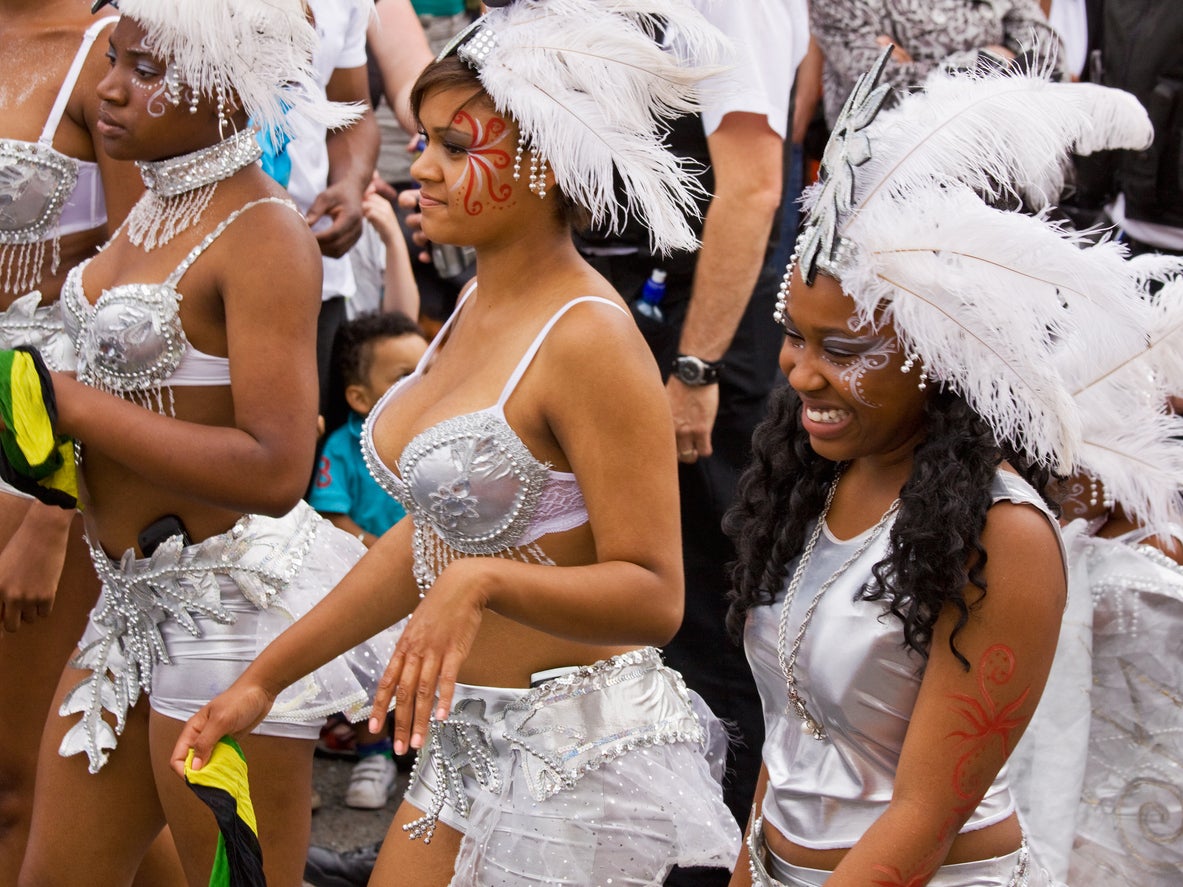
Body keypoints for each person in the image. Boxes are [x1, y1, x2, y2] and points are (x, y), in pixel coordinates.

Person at [172, 1, 742, 884]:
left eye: (455, 147)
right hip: (464, 746)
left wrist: (480, 583)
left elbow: (655, 594)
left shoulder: (589, 335)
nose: (423, 169)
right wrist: (267, 677)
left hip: (573, 769)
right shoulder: (475, 302)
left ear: (548, 166)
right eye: (425, 142)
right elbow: (435, 535)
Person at [725, 49, 1169, 886]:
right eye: (794, 334)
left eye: (844, 348)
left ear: (942, 351)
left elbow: (923, 818)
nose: (800, 373)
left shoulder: (1001, 536)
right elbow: (788, 743)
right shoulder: (813, 475)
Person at [10, 3, 401, 885]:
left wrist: (71, 407)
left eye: (145, 73)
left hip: (228, 625)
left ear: (230, 90)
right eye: (114, 60)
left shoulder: (261, 234)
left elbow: (273, 467)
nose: (110, 89)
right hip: (126, 610)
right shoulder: (153, 210)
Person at [0, 1, 146, 881]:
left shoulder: (113, 48)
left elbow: (143, 279)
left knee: (20, 778)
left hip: (37, 440)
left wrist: (57, 506)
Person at [308, 310, 428, 809]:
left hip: (429, 585)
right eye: (404, 376)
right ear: (360, 398)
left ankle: (422, 751)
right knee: (366, 666)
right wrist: (384, 553)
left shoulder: (433, 440)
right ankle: (372, 750)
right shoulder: (344, 445)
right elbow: (333, 517)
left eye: (428, 369)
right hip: (367, 586)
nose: (421, 383)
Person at [810, 0, 1062, 129]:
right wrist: (992, 59)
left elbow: (1050, 58)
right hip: (888, 174)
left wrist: (920, 66)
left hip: (997, 161)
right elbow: (879, 86)